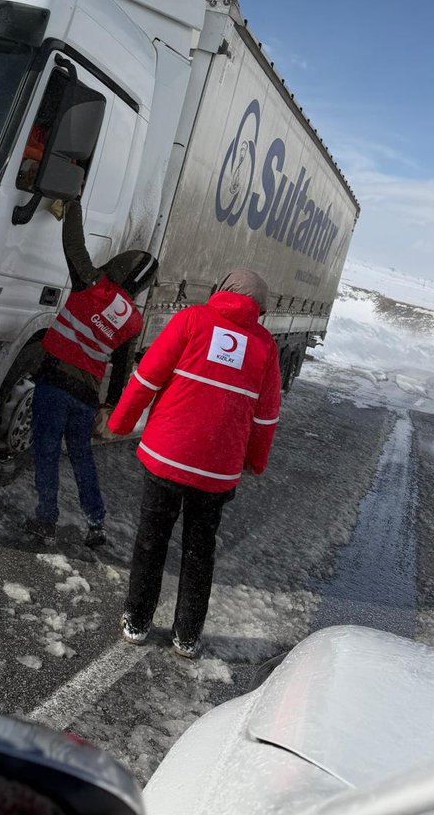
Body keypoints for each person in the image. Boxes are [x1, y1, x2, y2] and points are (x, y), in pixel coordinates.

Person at [108, 269, 281, 658]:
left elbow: (148, 377)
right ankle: (187, 635)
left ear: (222, 291)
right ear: (260, 307)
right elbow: (266, 414)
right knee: (200, 549)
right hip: (217, 471)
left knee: (152, 539)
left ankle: (137, 621)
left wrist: (120, 423)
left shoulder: (191, 320)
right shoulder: (265, 345)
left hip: (167, 457)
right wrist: (255, 460)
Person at [25, 199, 158, 548]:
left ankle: (46, 519)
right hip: (85, 397)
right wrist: (108, 406)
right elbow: (121, 369)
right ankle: (96, 524)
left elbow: (73, 245)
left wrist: (74, 203)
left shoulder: (92, 283)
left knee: (48, 451)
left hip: (54, 383)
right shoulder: (133, 320)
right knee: (82, 456)